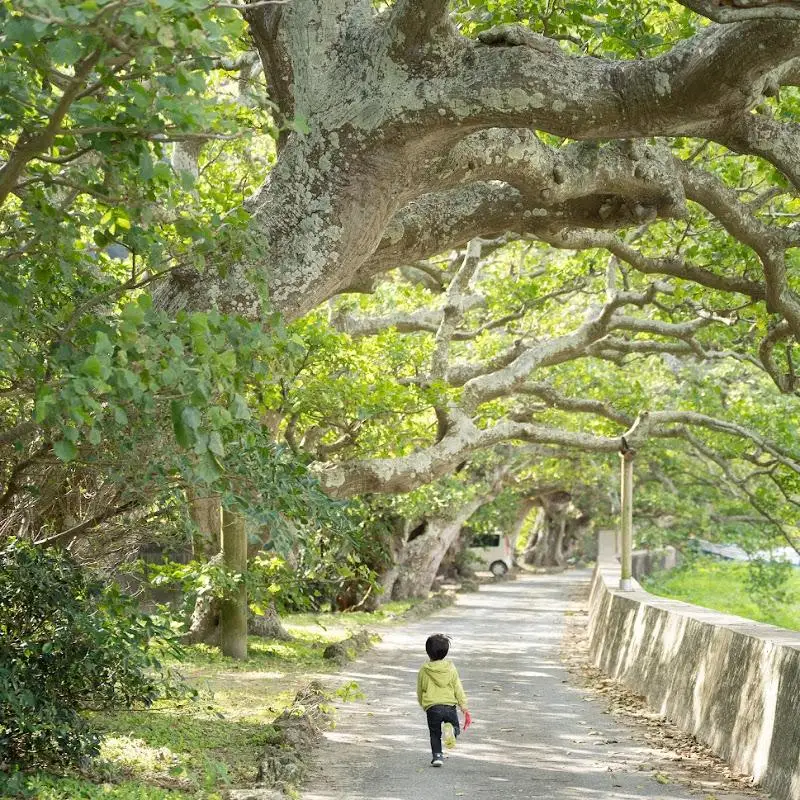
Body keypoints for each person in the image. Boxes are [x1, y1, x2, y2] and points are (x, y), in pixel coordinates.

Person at [416, 633, 469, 767]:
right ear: (446, 652)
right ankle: (451, 730)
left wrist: (423, 703)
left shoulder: (424, 669)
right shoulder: (450, 668)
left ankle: (437, 757)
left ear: (428, 652)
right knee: (454, 726)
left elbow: (420, 688)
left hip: (432, 707)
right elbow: (458, 687)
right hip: (449, 706)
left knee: (434, 733)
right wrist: (463, 705)